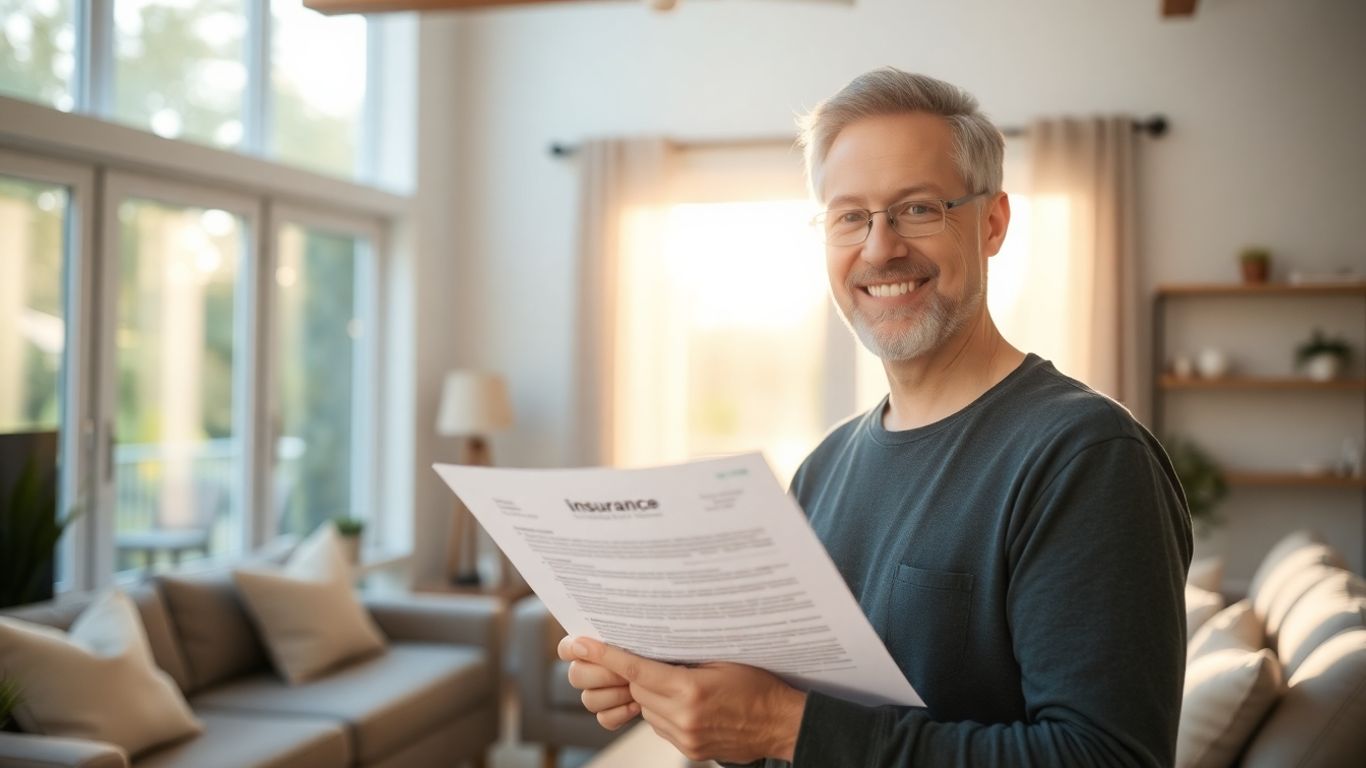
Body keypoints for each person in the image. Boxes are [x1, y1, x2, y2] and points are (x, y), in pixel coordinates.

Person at [558, 68, 1192, 767]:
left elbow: (1107, 759)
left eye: (917, 208)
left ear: (992, 223)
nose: (880, 247)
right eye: (849, 215)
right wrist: (690, 698)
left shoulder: (1086, 456)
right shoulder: (823, 470)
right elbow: (794, 720)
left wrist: (781, 726)